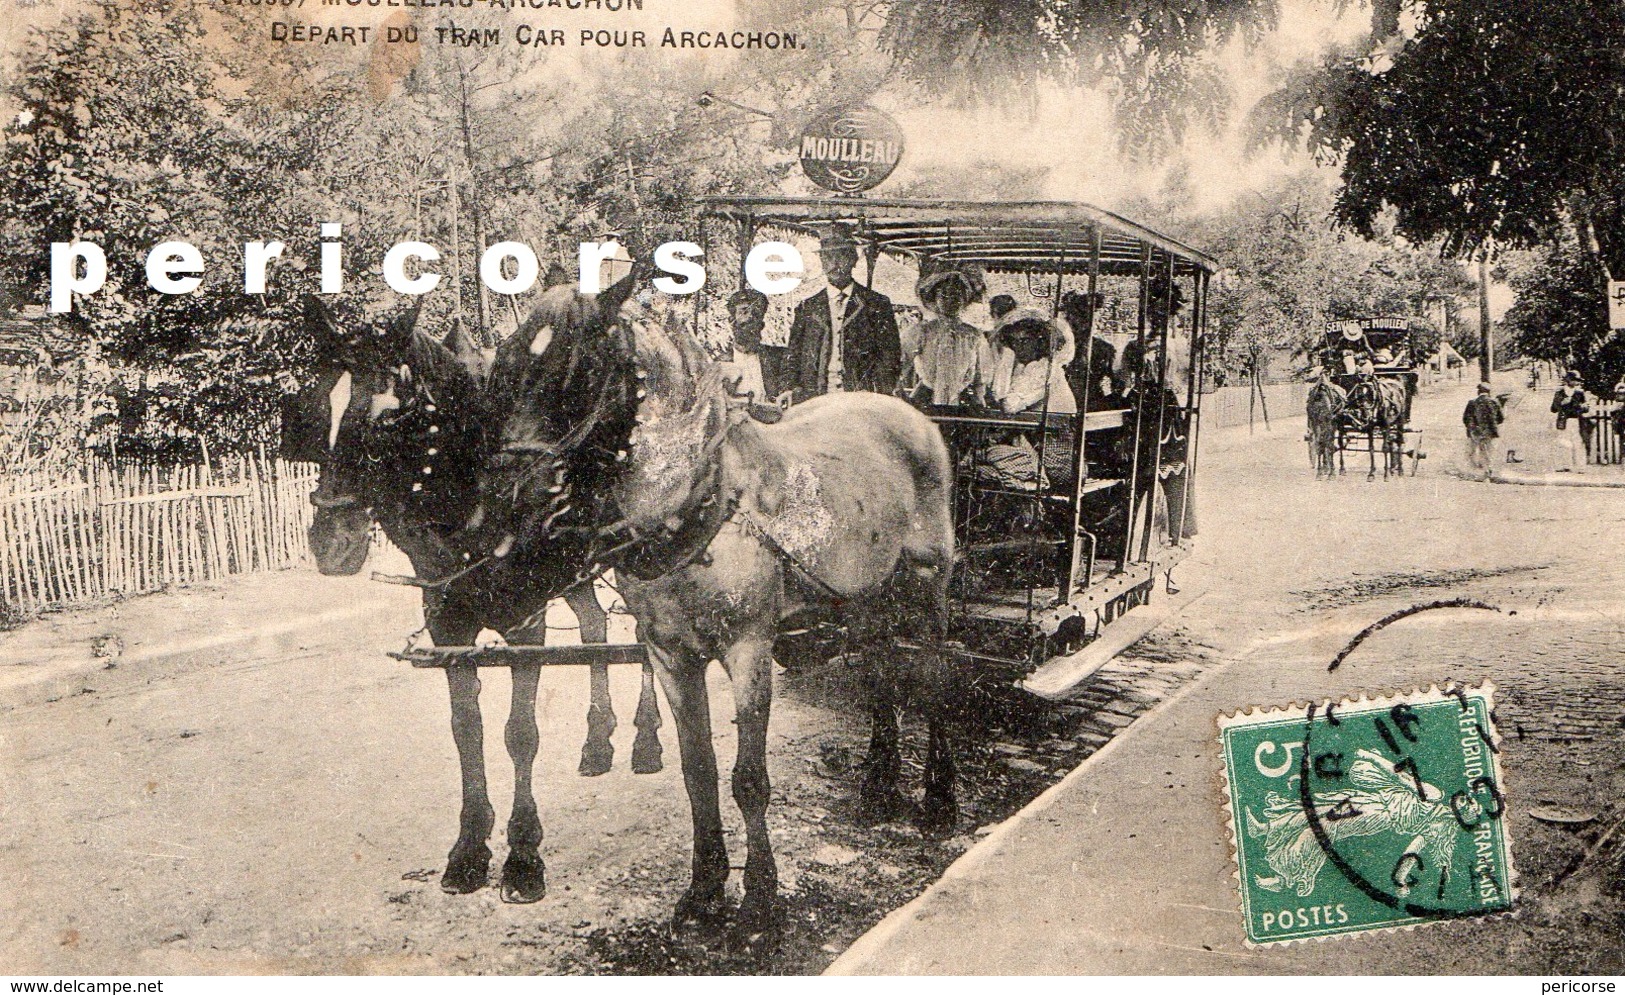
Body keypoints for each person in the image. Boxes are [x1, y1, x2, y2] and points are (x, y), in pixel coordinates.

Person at [782, 226, 900, 402]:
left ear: (854, 259)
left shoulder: (876, 304)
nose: (835, 263)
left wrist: (878, 393)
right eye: (828, 256)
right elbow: (792, 355)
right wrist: (790, 389)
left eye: (842, 255)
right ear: (821, 261)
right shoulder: (808, 307)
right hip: (815, 400)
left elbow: (890, 357)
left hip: (860, 401)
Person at [901, 261, 994, 407]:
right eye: (944, 295)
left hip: (962, 399)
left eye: (957, 296)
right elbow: (901, 362)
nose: (951, 301)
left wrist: (979, 397)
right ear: (935, 299)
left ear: (964, 299)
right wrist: (900, 393)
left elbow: (980, 375)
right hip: (926, 397)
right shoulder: (922, 331)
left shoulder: (973, 335)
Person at [1551, 370, 1591, 472]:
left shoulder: (1579, 393)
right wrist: (1562, 403)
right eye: (1574, 380)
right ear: (1568, 380)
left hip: (1576, 420)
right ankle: (1565, 465)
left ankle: (1580, 467)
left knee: (1578, 443)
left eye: (1578, 381)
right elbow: (1553, 409)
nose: (1577, 383)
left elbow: (1585, 408)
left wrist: (1584, 407)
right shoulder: (1560, 392)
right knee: (1563, 443)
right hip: (1563, 421)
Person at [1462, 382, 1503, 479]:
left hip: (1474, 432)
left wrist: (1471, 427)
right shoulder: (1494, 402)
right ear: (1489, 392)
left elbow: (1465, 418)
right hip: (1489, 432)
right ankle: (1487, 471)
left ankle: (1473, 471)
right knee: (1486, 451)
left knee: (1471, 451)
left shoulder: (1472, 403)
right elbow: (1501, 418)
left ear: (1479, 391)